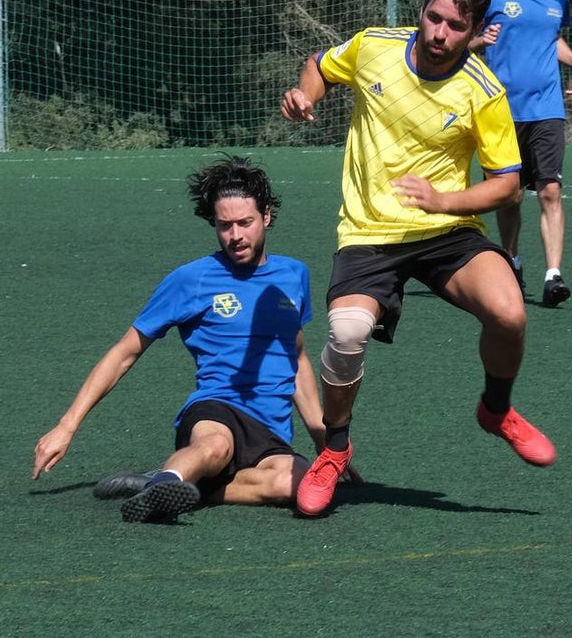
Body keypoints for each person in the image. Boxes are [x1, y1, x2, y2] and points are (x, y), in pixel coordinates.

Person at [280, 0, 557, 518]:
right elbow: (319, 65)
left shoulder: (484, 89)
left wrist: (444, 202)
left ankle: (495, 409)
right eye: (433, 18)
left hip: (445, 230)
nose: (439, 34)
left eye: (456, 27)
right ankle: (334, 450)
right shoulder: (374, 46)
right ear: (422, 8)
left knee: (510, 313)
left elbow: (506, 186)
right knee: (348, 331)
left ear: (476, 29)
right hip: (369, 231)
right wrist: (305, 95)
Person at [31, 155, 343, 524]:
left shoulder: (293, 274)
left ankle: (172, 486)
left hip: (270, 429)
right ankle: (169, 481)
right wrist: (66, 426)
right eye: (224, 225)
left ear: (267, 217)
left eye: (245, 222)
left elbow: (297, 359)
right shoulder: (190, 279)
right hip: (216, 409)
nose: (236, 236)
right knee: (214, 447)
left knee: (295, 485)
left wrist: (325, 444)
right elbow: (125, 353)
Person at [471, 0, 572, 307]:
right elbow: (462, 39)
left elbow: (551, 38)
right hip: (500, 110)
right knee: (509, 197)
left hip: (547, 108)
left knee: (551, 191)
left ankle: (554, 275)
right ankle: (510, 260)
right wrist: (478, 40)